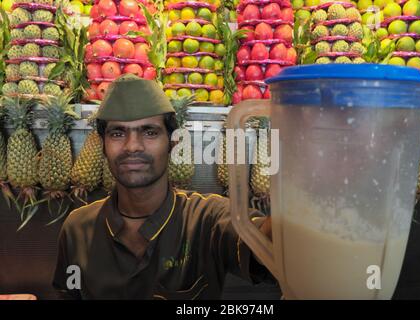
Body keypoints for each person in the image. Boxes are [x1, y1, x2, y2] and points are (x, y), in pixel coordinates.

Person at [52, 74, 273, 299]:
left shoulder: (208, 219)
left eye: (149, 132)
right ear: (103, 145)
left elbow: (268, 241)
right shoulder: (76, 230)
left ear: (173, 143)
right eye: (117, 133)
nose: (132, 146)